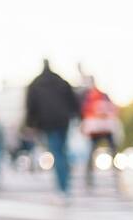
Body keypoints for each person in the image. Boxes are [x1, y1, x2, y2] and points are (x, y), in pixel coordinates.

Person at [24, 60, 79, 200]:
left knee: (58, 154)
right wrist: (76, 116)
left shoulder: (36, 83)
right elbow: (73, 100)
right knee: (63, 152)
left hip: (48, 123)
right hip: (63, 121)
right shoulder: (61, 81)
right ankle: (66, 185)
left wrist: (31, 124)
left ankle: (62, 188)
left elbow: (31, 106)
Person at [78, 77, 119, 189]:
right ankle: (89, 179)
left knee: (110, 152)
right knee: (94, 153)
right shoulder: (88, 96)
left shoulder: (95, 96)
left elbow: (112, 109)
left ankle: (116, 176)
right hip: (96, 130)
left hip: (102, 128)